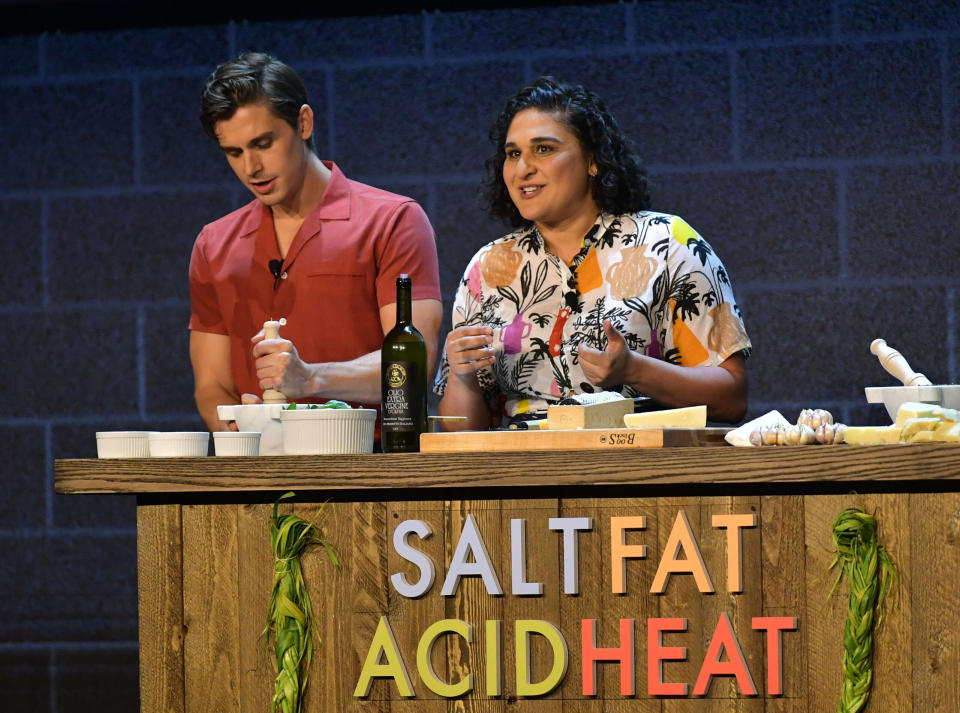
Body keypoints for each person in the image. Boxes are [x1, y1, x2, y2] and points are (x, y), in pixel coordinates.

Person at [435, 77, 751, 430]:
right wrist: (463, 378)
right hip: (519, 472)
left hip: (633, 467)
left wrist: (635, 370)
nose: (523, 168)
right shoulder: (488, 267)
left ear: (593, 161)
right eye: (513, 154)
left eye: (543, 149)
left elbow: (732, 396)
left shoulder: (667, 243)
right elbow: (461, 431)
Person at [189, 52, 442, 431]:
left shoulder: (393, 221)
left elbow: (413, 367)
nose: (250, 168)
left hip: (374, 469)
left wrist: (310, 377)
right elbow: (212, 387)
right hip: (258, 474)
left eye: (263, 143)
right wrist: (234, 433)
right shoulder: (214, 244)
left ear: (304, 123)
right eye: (234, 153)